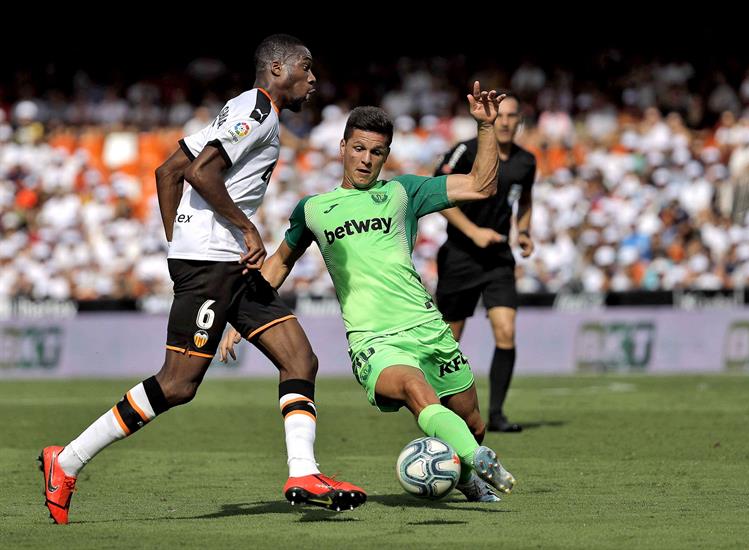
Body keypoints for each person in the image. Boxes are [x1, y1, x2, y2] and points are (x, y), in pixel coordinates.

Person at [39, 34, 365, 525]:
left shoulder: (245, 110)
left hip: (224, 261)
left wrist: (180, 242)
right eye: (306, 67)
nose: (314, 78)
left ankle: (303, 472)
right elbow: (200, 175)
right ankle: (65, 463)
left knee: (300, 356)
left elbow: (167, 170)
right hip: (216, 262)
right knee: (177, 384)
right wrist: (243, 227)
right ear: (277, 68)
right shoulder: (256, 110)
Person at [221, 82, 516, 502]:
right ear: (342, 147)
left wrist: (485, 128)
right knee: (417, 390)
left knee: (471, 420)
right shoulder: (314, 209)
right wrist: (245, 311)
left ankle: (469, 471)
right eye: (358, 148)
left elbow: (482, 186)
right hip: (374, 340)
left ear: (386, 156)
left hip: (428, 328)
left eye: (376, 152)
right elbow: (281, 261)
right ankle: (479, 459)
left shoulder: (403, 193)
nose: (366, 159)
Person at [434, 91, 536, 432]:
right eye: (500, 115)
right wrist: (473, 231)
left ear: (519, 121)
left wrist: (522, 231)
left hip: (497, 258)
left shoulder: (526, 161)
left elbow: (525, 201)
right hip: (460, 256)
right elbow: (437, 193)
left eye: (511, 116)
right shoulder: (467, 150)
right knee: (449, 341)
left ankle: (496, 414)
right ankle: (438, 412)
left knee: (506, 331)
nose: (505, 122)